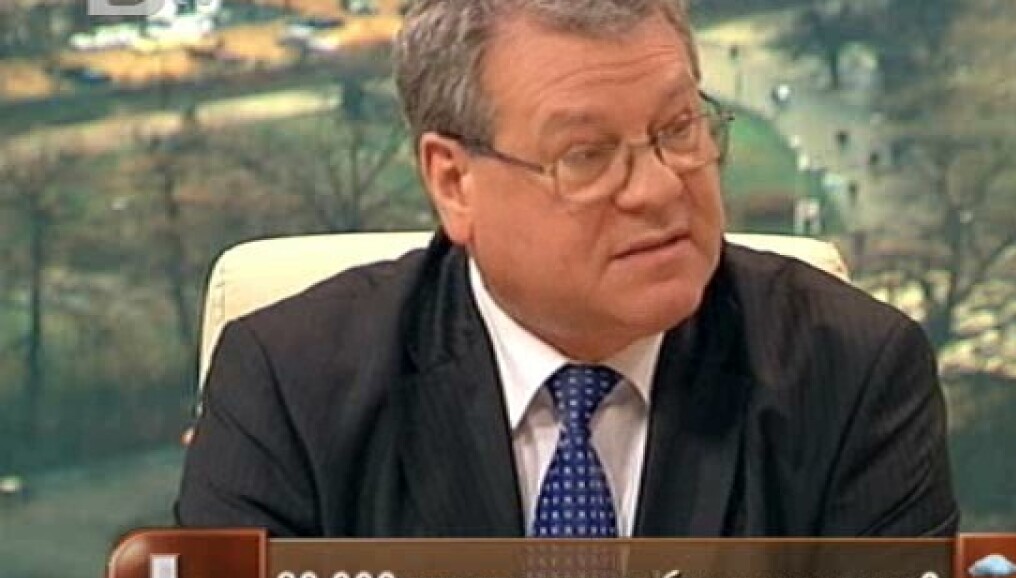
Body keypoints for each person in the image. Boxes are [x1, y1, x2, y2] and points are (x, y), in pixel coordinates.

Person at [176, 0, 958, 538]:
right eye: (587, 155)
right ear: (454, 181)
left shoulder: (851, 372)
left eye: (679, 129)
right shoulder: (288, 386)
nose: (659, 189)